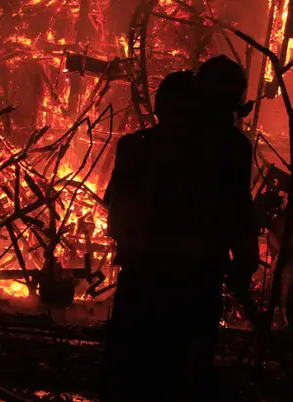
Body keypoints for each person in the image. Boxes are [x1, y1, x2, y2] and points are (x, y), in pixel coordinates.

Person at [101, 56, 258, 401]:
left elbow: (114, 209)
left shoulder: (139, 145)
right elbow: (238, 210)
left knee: (132, 369)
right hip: (196, 279)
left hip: (146, 274)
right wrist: (245, 259)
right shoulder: (232, 148)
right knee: (184, 370)